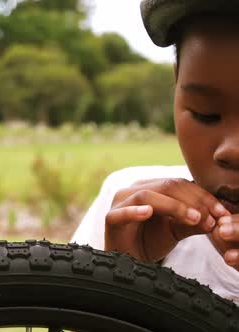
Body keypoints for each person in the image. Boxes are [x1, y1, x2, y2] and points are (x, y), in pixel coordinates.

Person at [71, 0, 239, 302]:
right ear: (176, 86)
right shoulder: (128, 212)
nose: (232, 150)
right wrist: (123, 283)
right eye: (206, 114)